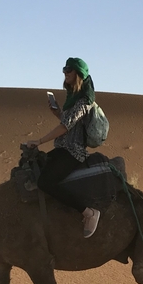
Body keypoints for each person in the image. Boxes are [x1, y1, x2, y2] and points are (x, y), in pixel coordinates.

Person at [27, 57, 102, 238]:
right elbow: (69, 122)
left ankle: (88, 213)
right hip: (62, 148)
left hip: (73, 152)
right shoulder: (73, 97)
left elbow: (65, 127)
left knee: (45, 182)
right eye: (64, 69)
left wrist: (40, 140)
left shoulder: (84, 100)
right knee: (34, 164)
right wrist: (58, 113)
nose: (65, 73)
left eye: (69, 70)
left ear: (79, 74)